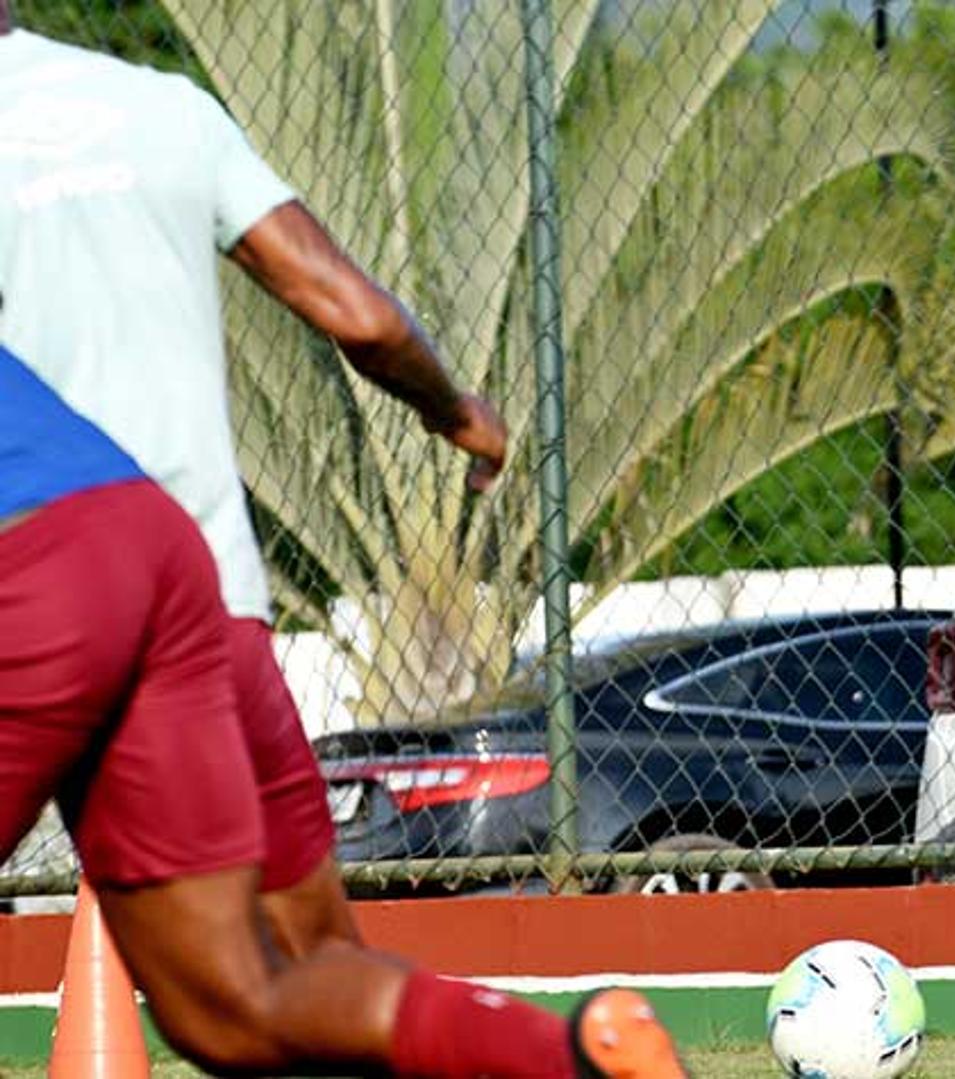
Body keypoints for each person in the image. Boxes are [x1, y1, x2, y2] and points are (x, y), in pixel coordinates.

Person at [0, 8, 680, 1076]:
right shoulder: (160, 108)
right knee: (267, 990)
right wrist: (454, 407)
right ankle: (569, 1051)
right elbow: (353, 308)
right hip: (201, 587)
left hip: (35, 568)